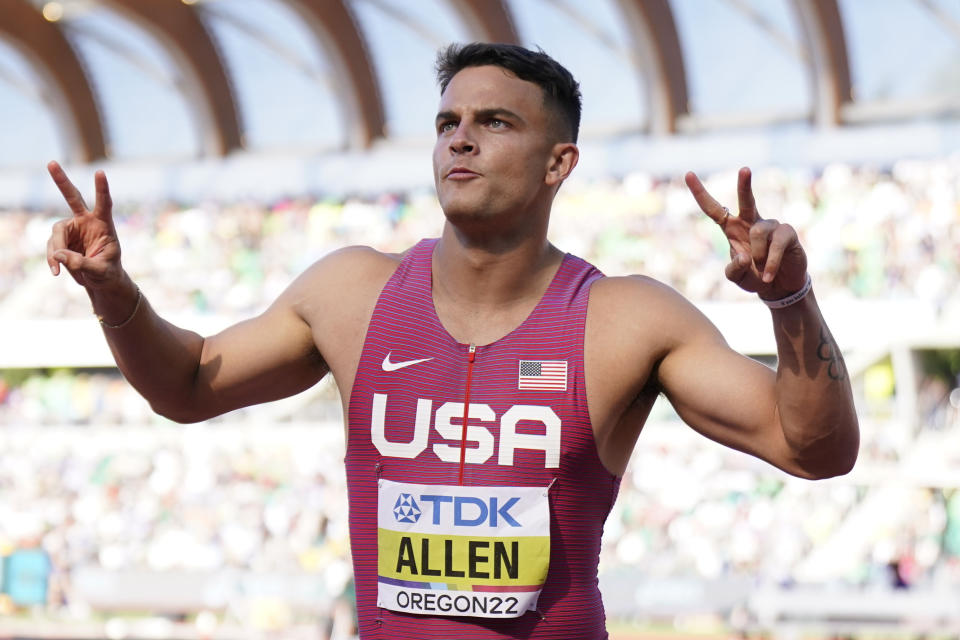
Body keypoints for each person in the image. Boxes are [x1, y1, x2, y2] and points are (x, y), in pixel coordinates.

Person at [45, 42, 858, 640]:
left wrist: (789, 298)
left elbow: (813, 448)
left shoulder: (625, 318)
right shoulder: (351, 293)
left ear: (557, 163)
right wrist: (115, 293)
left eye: (494, 122)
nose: (459, 140)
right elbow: (186, 385)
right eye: (448, 123)